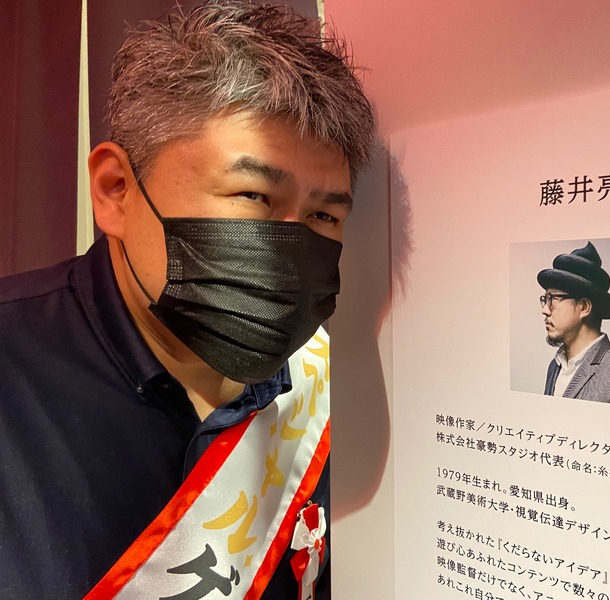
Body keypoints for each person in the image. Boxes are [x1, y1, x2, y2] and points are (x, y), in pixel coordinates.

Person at [0, 2, 375, 598]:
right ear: (115, 191)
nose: (292, 246)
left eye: (324, 216)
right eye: (253, 195)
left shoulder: (328, 388)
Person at [537, 241, 610, 409]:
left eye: (552, 299)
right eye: (545, 299)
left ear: (584, 307)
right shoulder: (555, 367)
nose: (544, 310)